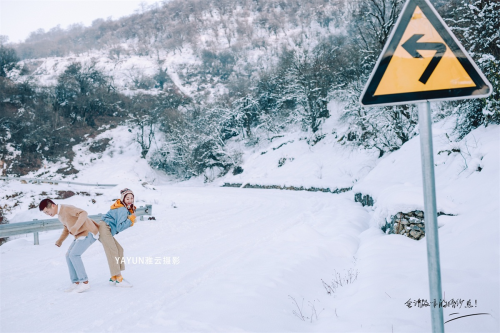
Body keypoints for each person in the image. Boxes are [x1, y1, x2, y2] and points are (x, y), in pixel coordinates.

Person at [39, 198, 99, 293]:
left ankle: (85, 282)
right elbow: (67, 228)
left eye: (47, 211)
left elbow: (83, 213)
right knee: (68, 255)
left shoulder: (66, 208)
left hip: (89, 232)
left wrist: (75, 227)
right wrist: (60, 240)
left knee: (74, 255)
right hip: (80, 235)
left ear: (53, 205)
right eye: (45, 213)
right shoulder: (60, 215)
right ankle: (76, 282)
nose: (48, 214)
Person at [98, 188, 136, 288]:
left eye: (132, 198)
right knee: (113, 251)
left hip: (106, 229)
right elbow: (120, 226)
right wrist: (130, 221)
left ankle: (113, 277)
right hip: (104, 228)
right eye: (127, 198)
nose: (130, 200)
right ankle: (119, 279)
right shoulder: (122, 208)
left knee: (119, 249)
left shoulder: (123, 207)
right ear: (123, 199)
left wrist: (130, 220)